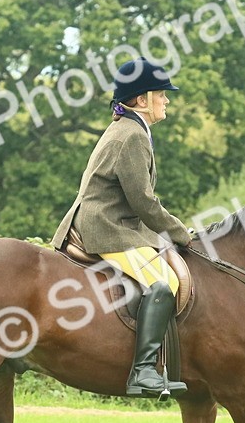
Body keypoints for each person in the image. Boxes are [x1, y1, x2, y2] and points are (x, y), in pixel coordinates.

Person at [52, 57, 193, 398]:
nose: (167, 100)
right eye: (161, 94)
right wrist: (181, 234)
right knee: (163, 282)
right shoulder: (131, 136)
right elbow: (143, 202)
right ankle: (143, 371)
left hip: (114, 220)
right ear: (141, 100)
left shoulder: (130, 129)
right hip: (105, 226)